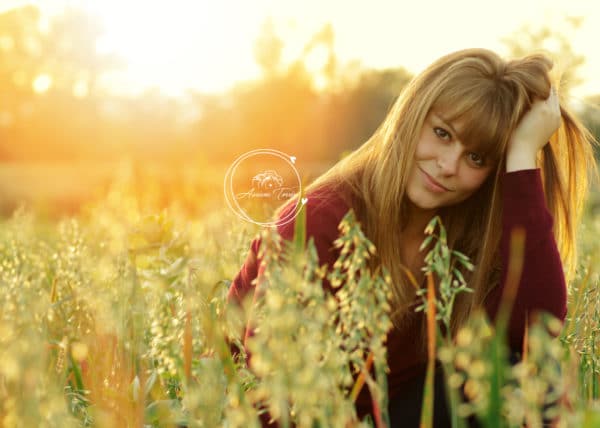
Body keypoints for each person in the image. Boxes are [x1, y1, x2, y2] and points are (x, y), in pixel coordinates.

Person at [226, 48, 597, 427]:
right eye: (442, 133)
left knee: (524, 376)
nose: (448, 166)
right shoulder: (318, 220)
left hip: (398, 410)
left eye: (477, 159)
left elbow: (536, 331)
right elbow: (273, 378)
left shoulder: (469, 230)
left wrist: (521, 157)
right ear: (411, 116)